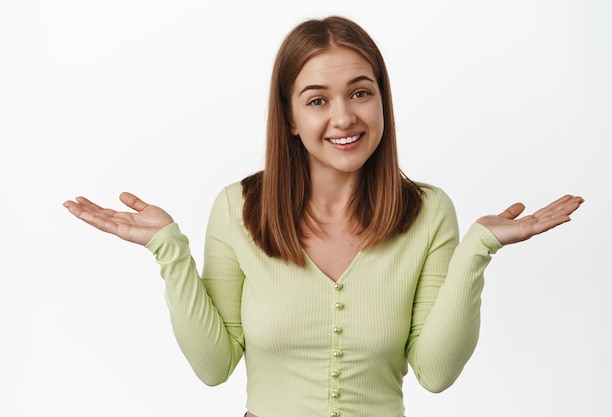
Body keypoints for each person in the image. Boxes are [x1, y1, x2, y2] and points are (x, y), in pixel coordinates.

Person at [63, 16, 583, 417]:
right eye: (317, 100)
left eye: (361, 92)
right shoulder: (237, 209)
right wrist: (168, 251)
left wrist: (479, 249)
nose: (344, 117)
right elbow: (214, 366)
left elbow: (436, 373)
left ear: (382, 102)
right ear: (289, 116)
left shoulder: (428, 212)